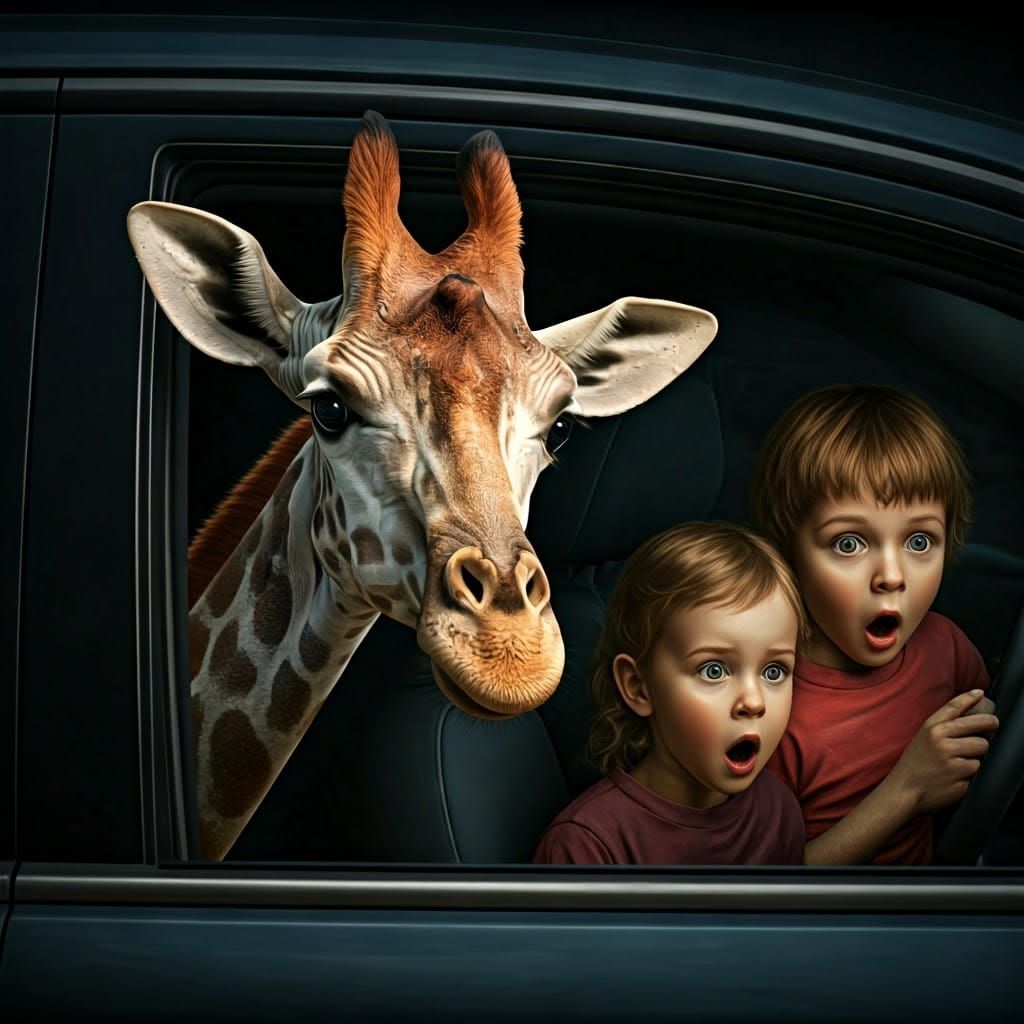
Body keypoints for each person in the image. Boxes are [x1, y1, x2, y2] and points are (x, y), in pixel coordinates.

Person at [751, 384, 999, 865]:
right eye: (849, 544)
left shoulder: (945, 649)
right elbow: (767, 887)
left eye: (921, 542)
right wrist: (907, 789)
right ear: (786, 550)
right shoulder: (762, 702)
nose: (891, 576)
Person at [533, 522, 808, 865]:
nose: (754, 702)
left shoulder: (778, 812)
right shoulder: (588, 846)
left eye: (774, 671)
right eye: (714, 671)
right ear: (638, 686)